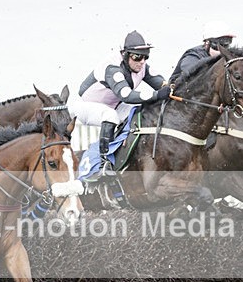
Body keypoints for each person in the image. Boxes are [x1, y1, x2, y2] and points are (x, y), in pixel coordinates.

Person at [68, 30, 170, 181]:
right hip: (87, 107)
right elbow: (126, 95)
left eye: (145, 56)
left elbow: (162, 84)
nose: (142, 61)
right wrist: (156, 95)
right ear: (125, 54)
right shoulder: (112, 68)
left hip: (114, 105)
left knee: (142, 113)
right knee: (110, 116)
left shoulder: (142, 66)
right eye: (137, 56)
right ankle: (103, 162)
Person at [169, 20, 235, 83]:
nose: (221, 52)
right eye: (218, 46)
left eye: (226, 46)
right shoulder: (193, 56)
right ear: (207, 43)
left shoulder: (228, 59)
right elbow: (192, 74)